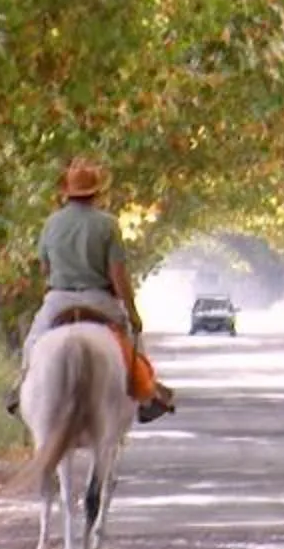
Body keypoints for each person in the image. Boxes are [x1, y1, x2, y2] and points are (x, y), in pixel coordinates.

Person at [21, 159, 174, 424]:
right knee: (132, 344)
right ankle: (147, 398)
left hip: (59, 299)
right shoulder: (108, 224)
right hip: (99, 299)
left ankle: (20, 391)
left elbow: (45, 268)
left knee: (32, 346)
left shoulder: (51, 224)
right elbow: (118, 274)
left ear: (66, 193)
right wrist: (133, 313)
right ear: (97, 193)